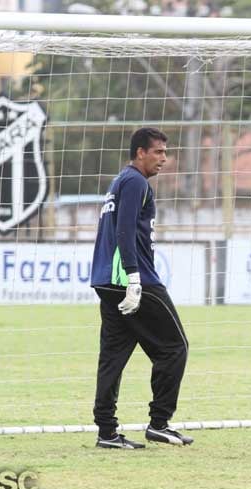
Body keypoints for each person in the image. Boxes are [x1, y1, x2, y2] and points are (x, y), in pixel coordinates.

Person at [90, 127, 192, 449]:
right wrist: (134, 277)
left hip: (106, 280)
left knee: (113, 356)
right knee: (175, 347)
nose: (164, 158)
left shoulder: (119, 181)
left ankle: (107, 432)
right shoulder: (135, 181)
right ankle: (159, 423)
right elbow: (123, 229)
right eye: (158, 152)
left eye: (165, 151)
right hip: (134, 281)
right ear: (140, 153)